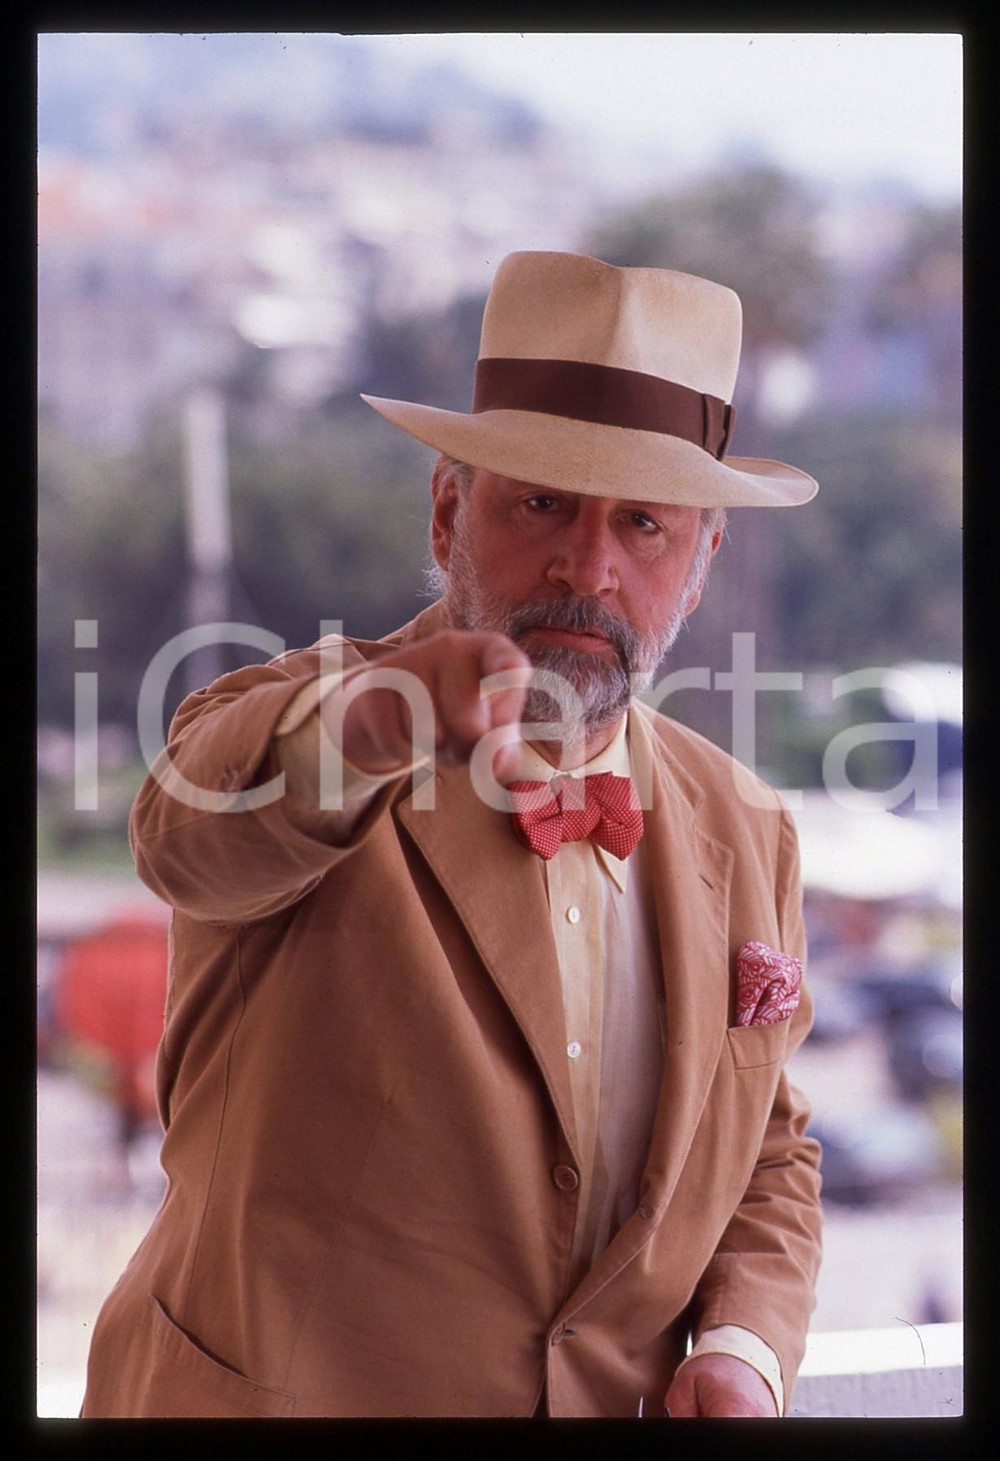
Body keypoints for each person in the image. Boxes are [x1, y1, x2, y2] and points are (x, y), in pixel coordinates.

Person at [81, 250, 823, 1419]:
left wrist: (741, 1344)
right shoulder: (304, 722)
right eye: (540, 504)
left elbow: (770, 1154)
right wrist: (393, 718)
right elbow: (191, 831)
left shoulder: (750, 826)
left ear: (701, 563)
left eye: (644, 525)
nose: (590, 568)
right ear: (446, 508)